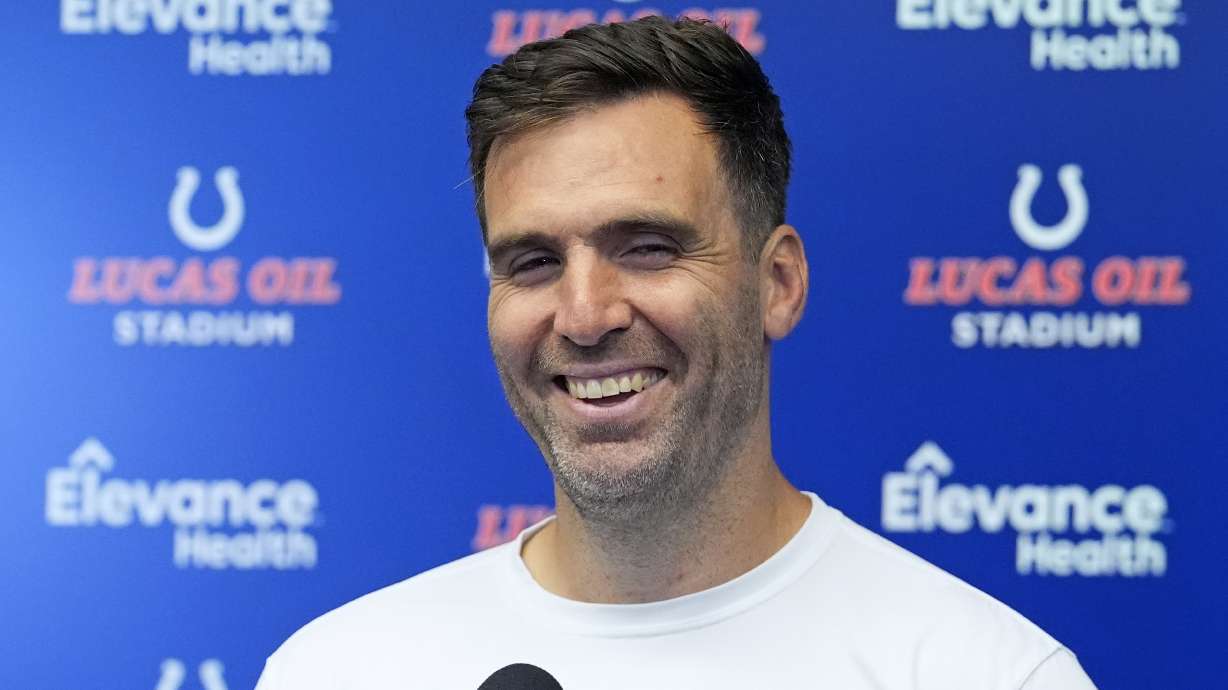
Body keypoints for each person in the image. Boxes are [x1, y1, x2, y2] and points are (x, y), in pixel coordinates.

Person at [256, 17, 1098, 689]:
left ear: (778, 283)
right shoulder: (340, 670)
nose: (584, 316)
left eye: (649, 248)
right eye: (534, 262)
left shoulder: (984, 673)